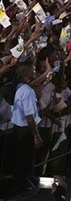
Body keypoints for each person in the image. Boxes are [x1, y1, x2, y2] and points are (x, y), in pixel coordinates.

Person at [10, 63, 43, 192]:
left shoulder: (20, 88)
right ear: (27, 73)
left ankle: (21, 184)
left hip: (18, 128)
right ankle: (23, 186)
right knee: (26, 159)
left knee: (21, 158)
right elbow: (29, 116)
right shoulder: (27, 91)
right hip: (25, 130)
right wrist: (36, 135)